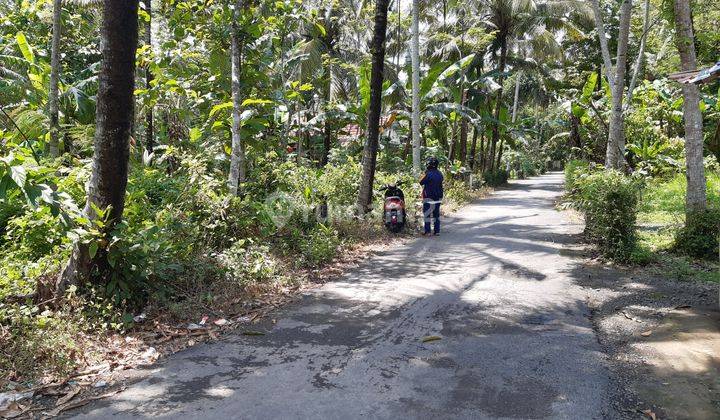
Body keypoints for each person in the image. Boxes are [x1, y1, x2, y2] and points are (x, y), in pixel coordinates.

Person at [419, 157, 443, 235]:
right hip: (438, 196)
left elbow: (421, 182)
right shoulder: (440, 173)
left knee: (427, 214)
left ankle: (428, 231)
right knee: (436, 214)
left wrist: (424, 173)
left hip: (428, 197)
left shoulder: (428, 174)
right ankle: (437, 231)